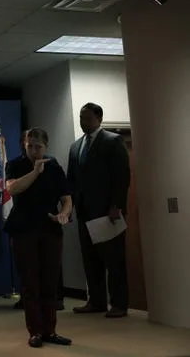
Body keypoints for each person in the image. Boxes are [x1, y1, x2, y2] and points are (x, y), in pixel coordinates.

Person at [5, 128, 72, 348]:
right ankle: (35, 332)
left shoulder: (54, 167)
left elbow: (66, 197)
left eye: (38, 146)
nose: (33, 150)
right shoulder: (15, 164)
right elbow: (13, 189)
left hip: (50, 228)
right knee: (30, 283)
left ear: (46, 146)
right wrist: (35, 171)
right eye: (29, 145)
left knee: (50, 282)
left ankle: (50, 330)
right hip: (23, 228)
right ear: (24, 145)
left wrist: (64, 213)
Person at [67, 103, 130, 318]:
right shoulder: (76, 146)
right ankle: (96, 301)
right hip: (85, 212)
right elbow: (72, 181)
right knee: (90, 260)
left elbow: (122, 176)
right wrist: (69, 207)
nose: (83, 121)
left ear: (99, 118)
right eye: (81, 117)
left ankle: (119, 304)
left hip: (107, 212)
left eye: (86, 117)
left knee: (114, 261)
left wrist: (117, 206)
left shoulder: (112, 141)